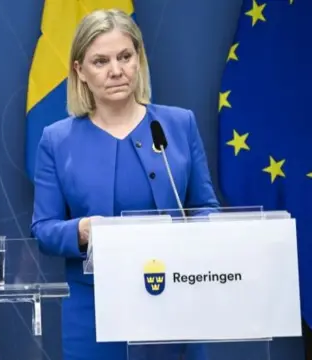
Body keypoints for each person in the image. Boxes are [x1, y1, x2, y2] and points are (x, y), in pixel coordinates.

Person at [30, 9, 219, 360]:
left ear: (139, 60)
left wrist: (193, 231)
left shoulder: (179, 125)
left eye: (125, 57)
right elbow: (43, 229)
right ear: (80, 71)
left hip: (175, 299)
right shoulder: (56, 140)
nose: (116, 71)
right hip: (94, 312)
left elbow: (206, 207)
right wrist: (82, 230)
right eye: (100, 61)